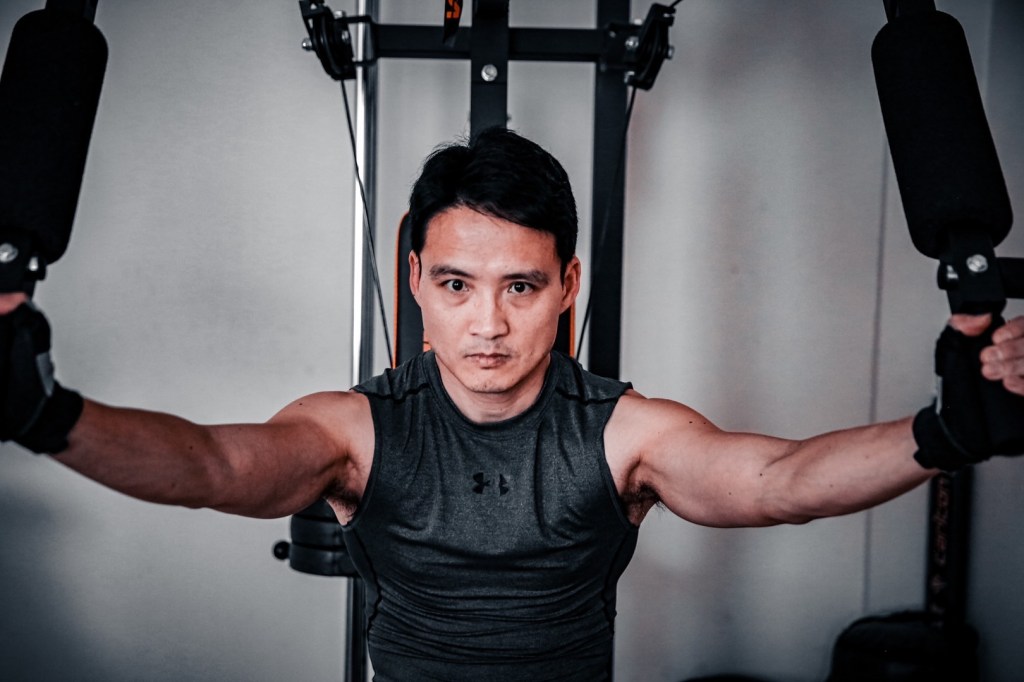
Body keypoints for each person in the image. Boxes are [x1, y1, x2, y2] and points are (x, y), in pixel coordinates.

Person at [2, 127, 1023, 681]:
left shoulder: (622, 432)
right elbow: (215, 466)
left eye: (520, 287)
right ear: (415, 281)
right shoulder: (356, 430)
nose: (486, 324)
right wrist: (48, 414)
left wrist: (944, 431)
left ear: (568, 285)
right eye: (456, 284)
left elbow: (775, 482)